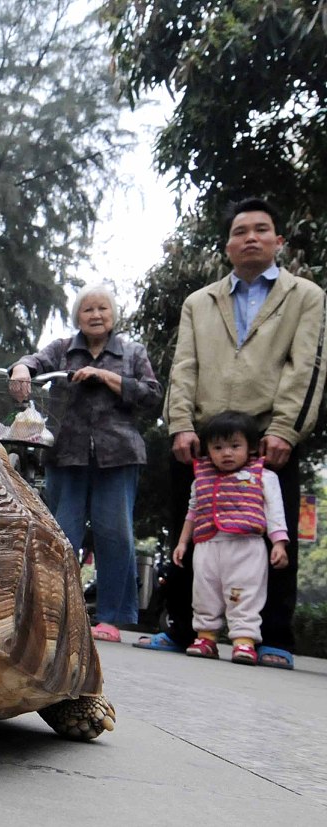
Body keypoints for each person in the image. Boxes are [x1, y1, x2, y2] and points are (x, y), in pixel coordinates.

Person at [136, 197, 326, 669]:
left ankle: (273, 638)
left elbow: (307, 367)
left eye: (262, 230)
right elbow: (184, 366)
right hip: (204, 437)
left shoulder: (305, 296)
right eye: (241, 231)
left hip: (266, 437)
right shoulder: (200, 302)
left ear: (278, 241)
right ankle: (183, 629)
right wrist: (179, 424)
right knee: (193, 530)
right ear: (227, 245)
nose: (251, 238)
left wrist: (286, 429)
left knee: (273, 532)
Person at [9, 285, 163, 643]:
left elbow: (152, 393)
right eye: (88, 309)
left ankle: (111, 617)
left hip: (119, 455)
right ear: (77, 316)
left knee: (115, 535)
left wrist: (107, 378)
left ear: (113, 316)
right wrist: (20, 370)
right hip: (67, 454)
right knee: (62, 534)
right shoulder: (63, 349)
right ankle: (54, 612)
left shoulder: (132, 352)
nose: (96, 315)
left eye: (103, 309)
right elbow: (32, 362)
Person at [173, 411, 289, 664]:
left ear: (251, 448)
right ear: (207, 451)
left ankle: (244, 641)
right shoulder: (200, 479)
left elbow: (275, 510)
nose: (226, 453)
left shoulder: (264, 477)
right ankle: (206, 637)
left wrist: (279, 543)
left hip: (247, 547)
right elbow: (192, 512)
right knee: (204, 593)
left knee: (245, 594)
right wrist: (183, 542)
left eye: (235, 446)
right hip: (207, 546)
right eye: (218, 447)